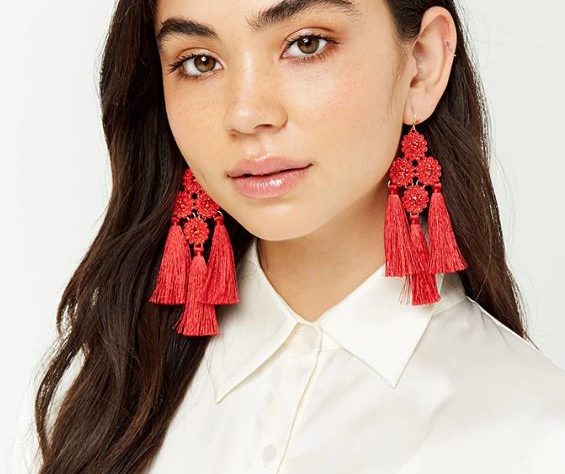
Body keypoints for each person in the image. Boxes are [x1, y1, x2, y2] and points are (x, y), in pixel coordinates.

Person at [11, 0, 565, 472]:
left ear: (421, 65)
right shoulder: (88, 394)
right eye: (200, 62)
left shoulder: (538, 434)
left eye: (306, 44)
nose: (246, 113)